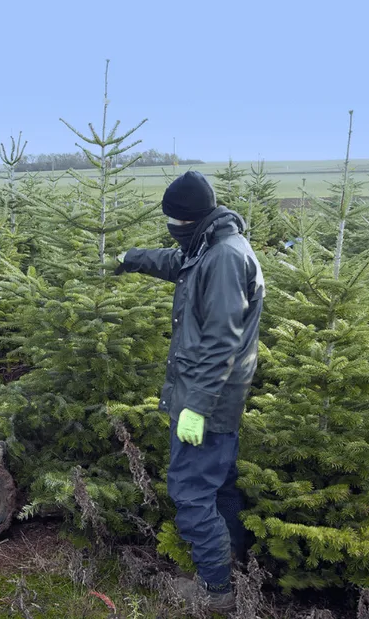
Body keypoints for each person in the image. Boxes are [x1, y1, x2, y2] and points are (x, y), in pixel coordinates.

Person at [115, 170, 264, 611]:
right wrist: (129, 258)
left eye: (173, 221)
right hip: (214, 396)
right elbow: (176, 262)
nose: (171, 228)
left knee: (192, 492)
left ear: (188, 219)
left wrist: (196, 407)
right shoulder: (210, 244)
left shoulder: (224, 258)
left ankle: (216, 592)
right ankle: (235, 568)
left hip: (209, 399)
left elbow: (223, 340)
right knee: (220, 487)